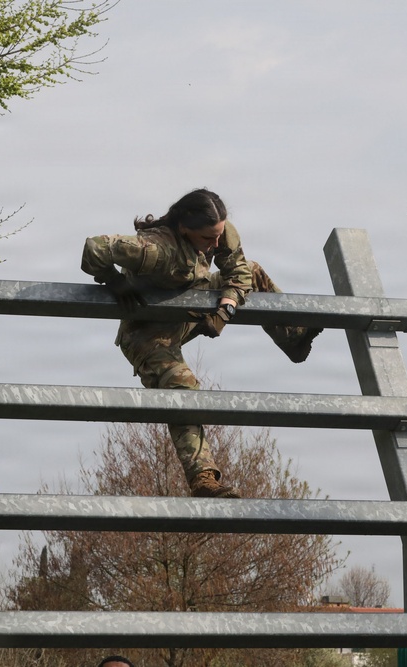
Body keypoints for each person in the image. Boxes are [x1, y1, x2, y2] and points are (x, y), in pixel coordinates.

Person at [82, 188, 321, 498]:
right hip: (148, 331)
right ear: (185, 229)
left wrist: (225, 309)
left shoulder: (220, 233)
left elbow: (237, 272)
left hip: (191, 304)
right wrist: (115, 283)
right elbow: (95, 248)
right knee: (181, 386)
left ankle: (294, 338)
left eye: (219, 235)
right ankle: (203, 478)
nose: (216, 244)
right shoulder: (154, 249)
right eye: (208, 239)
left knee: (254, 269)